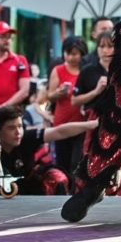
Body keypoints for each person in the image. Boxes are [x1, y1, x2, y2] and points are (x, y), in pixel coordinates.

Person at [0, 106, 97, 195]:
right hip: (5, 198)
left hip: (29, 187)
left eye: (20, 126)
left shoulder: (25, 138)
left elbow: (58, 132)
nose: (18, 132)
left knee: (56, 177)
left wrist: (91, 124)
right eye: (11, 128)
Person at [48, 35, 88, 173]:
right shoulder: (58, 70)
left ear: (82, 54)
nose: (71, 58)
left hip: (81, 123)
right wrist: (59, 93)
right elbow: (49, 95)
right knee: (62, 163)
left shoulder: (86, 70)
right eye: (68, 53)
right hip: (62, 122)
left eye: (75, 54)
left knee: (77, 162)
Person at [0, 21, 31, 108]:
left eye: (9, 37)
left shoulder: (20, 60)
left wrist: (3, 107)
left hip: (12, 112)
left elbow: (24, 91)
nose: (8, 40)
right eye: (3, 37)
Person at [71, 30, 114, 113]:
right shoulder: (87, 71)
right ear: (97, 48)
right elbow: (74, 101)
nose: (105, 50)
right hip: (92, 118)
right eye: (101, 46)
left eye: (110, 46)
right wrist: (95, 92)